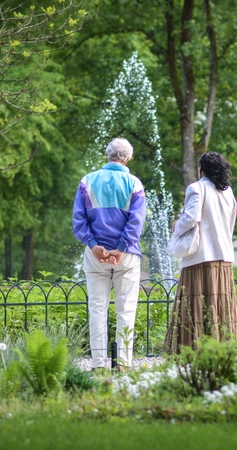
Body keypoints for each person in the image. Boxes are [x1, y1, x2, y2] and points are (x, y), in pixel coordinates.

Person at [72, 138, 146, 371]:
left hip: (95, 256)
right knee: (126, 309)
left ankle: (98, 364)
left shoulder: (87, 181)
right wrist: (122, 249)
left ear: (107, 155)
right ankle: (123, 362)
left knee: (97, 308)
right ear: (128, 158)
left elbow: (78, 219)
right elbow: (136, 222)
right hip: (126, 257)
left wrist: (93, 245)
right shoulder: (134, 184)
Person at [164, 152, 237, 353]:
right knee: (221, 307)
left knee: (195, 305)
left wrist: (176, 227)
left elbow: (190, 218)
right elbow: (230, 224)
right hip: (224, 258)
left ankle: (193, 350)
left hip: (200, 259)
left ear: (201, 169)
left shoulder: (196, 188)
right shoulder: (228, 192)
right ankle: (223, 349)